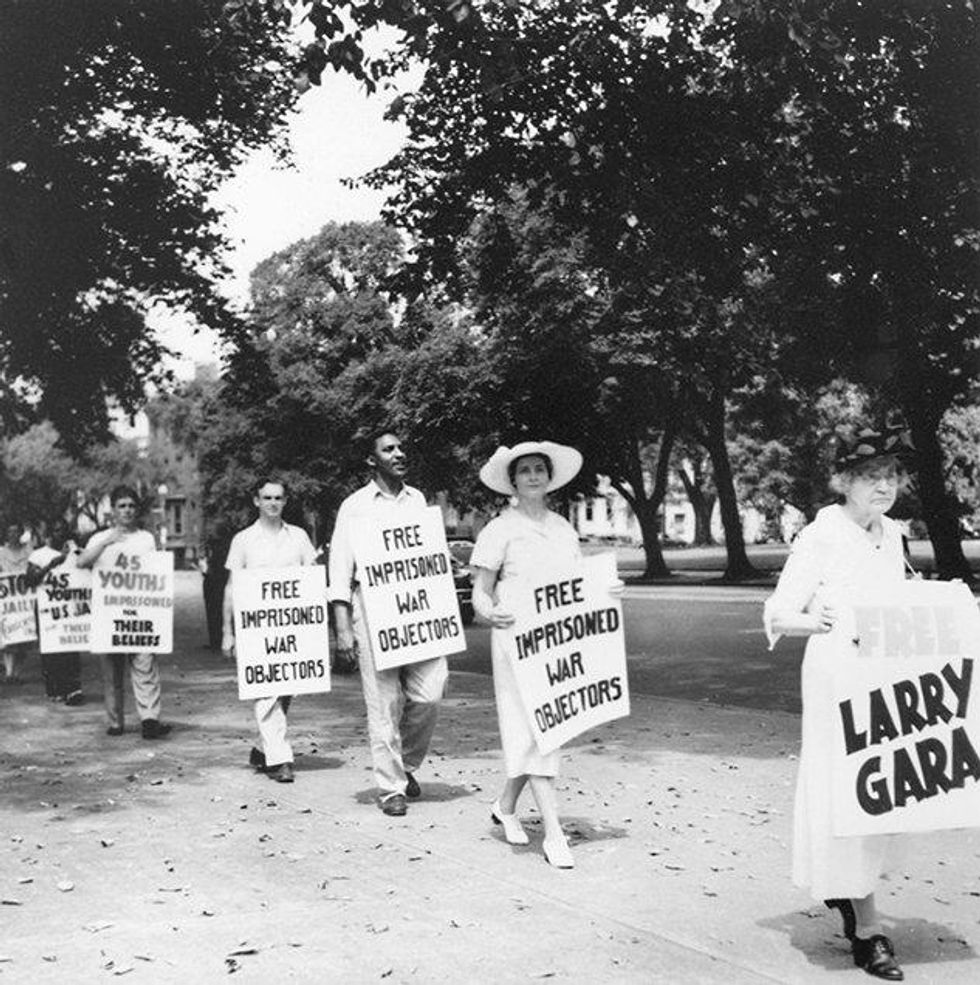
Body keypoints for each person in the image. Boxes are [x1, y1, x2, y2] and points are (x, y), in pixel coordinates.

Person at [763, 424, 914, 982]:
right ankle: (869, 931)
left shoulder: (893, 534)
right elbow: (779, 612)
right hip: (835, 679)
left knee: (881, 792)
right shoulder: (820, 535)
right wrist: (814, 619)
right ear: (845, 482)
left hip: (882, 680)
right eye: (871, 477)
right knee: (849, 792)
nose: (883, 487)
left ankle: (851, 895)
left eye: (891, 476)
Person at [470, 440, 590, 869]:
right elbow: (480, 594)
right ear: (514, 482)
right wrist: (491, 614)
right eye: (525, 471)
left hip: (555, 641)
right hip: (516, 640)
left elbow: (580, 585)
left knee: (543, 729)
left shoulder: (562, 527)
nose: (534, 476)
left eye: (540, 469)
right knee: (538, 732)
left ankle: (505, 806)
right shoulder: (499, 529)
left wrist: (608, 591)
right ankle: (554, 833)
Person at [328, 429, 448, 817]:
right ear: (371, 460)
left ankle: (406, 764)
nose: (399, 454)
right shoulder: (355, 506)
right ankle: (390, 787)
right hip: (373, 610)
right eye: (389, 449)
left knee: (431, 690)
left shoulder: (417, 500)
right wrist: (343, 628)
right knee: (383, 703)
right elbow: (340, 570)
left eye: (401, 448)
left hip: (417, 611)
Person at [222, 478, 316, 784]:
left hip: (292, 629)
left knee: (284, 691)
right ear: (256, 501)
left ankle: (263, 749)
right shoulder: (244, 540)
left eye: (278, 497)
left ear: (285, 501)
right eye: (267, 497)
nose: (273, 503)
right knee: (265, 691)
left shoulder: (299, 537)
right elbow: (232, 588)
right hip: (256, 631)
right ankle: (280, 759)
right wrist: (228, 631)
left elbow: (312, 580)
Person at [77, 486, 171, 740]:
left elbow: (156, 574)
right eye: (122, 506)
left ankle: (150, 719)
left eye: (131, 505)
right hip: (110, 615)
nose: (127, 510)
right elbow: (81, 562)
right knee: (111, 672)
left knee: (145, 665)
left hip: (141, 614)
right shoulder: (100, 538)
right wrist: (108, 542)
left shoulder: (146, 539)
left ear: (136, 509)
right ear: (113, 510)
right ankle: (115, 721)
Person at [26, 519, 84, 705]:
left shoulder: (76, 553)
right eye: (57, 530)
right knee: (51, 649)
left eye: (64, 531)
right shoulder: (39, 555)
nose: (61, 534)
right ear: (50, 534)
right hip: (47, 609)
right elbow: (30, 580)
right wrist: (52, 564)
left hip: (69, 609)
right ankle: (55, 687)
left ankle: (73, 689)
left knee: (70, 647)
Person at [0, 522, 34, 684]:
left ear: (21, 533)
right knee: (8, 637)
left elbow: (33, 569)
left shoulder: (28, 551)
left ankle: (17, 673)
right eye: (10, 532)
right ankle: (9, 672)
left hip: (25, 599)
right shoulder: (1, 552)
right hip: (7, 600)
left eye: (16, 532)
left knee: (24, 638)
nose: (13, 535)